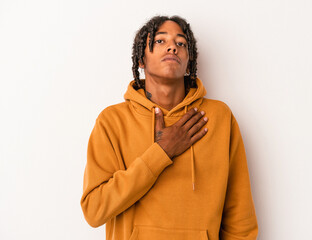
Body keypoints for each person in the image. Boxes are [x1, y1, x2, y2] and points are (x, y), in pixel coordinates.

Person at [80, 15, 258, 240]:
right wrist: (161, 152)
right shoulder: (112, 121)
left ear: (189, 61)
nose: (172, 47)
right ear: (141, 60)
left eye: (181, 43)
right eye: (160, 41)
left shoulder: (217, 117)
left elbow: (240, 218)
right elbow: (94, 210)